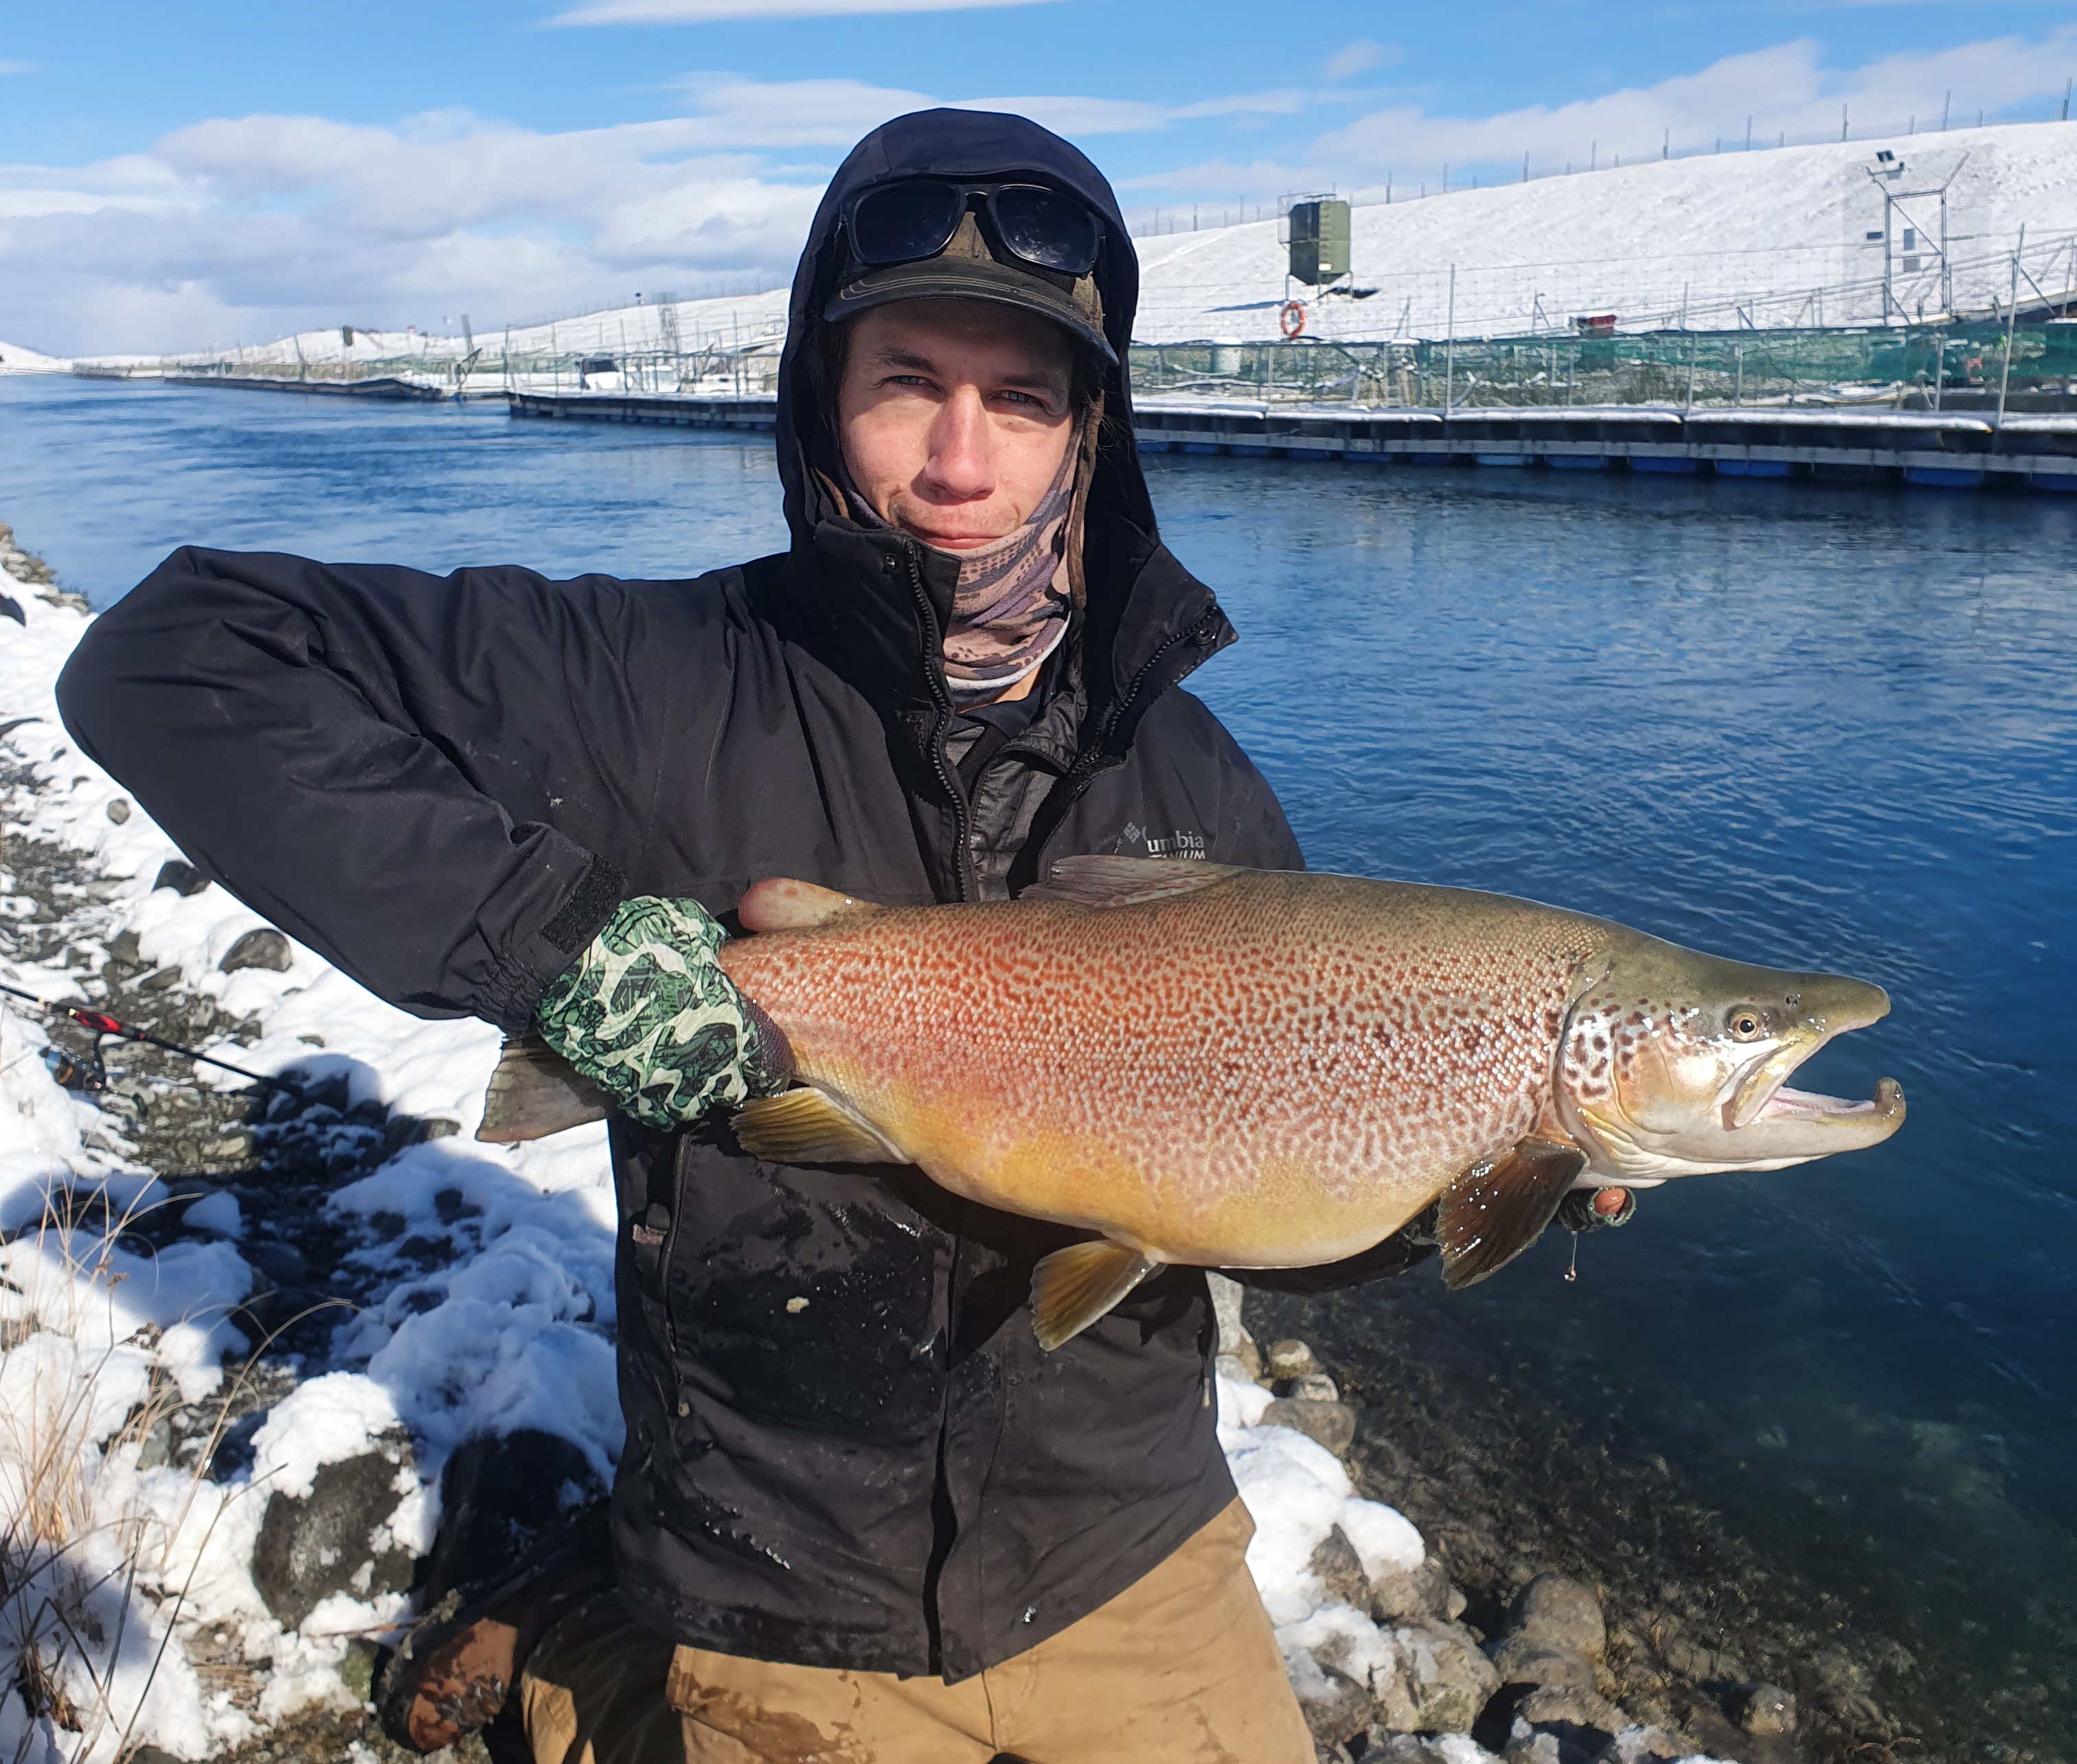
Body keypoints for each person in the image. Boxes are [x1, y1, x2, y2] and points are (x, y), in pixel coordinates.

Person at [59, 109, 1439, 1761]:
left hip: (1131, 1558)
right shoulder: (644, 682)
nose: (958, 457)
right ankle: (602, 1643)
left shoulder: (1197, 777)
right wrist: (548, 941)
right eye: (904, 382)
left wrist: (1464, 1178)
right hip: (785, 1578)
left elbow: (1291, 1187)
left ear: (1090, 432)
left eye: (1020, 396)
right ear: (817, 395)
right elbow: (180, 655)